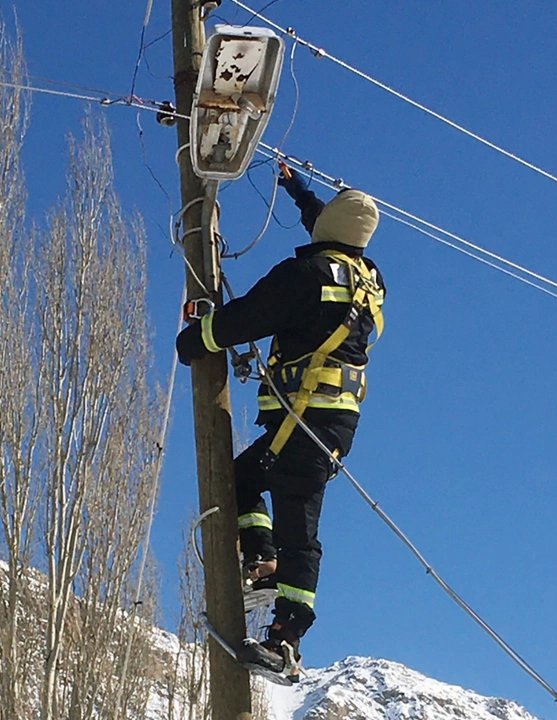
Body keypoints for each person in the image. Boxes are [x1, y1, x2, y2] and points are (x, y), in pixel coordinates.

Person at [176, 163, 385, 680]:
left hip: (304, 423)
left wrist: (195, 340)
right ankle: (264, 566)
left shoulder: (305, 277)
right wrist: (297, 190)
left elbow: (247, 316)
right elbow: (330, 227)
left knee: (298, 524)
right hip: (329, 425)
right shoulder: (368, 278)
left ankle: (285, 640)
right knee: (242, 481)